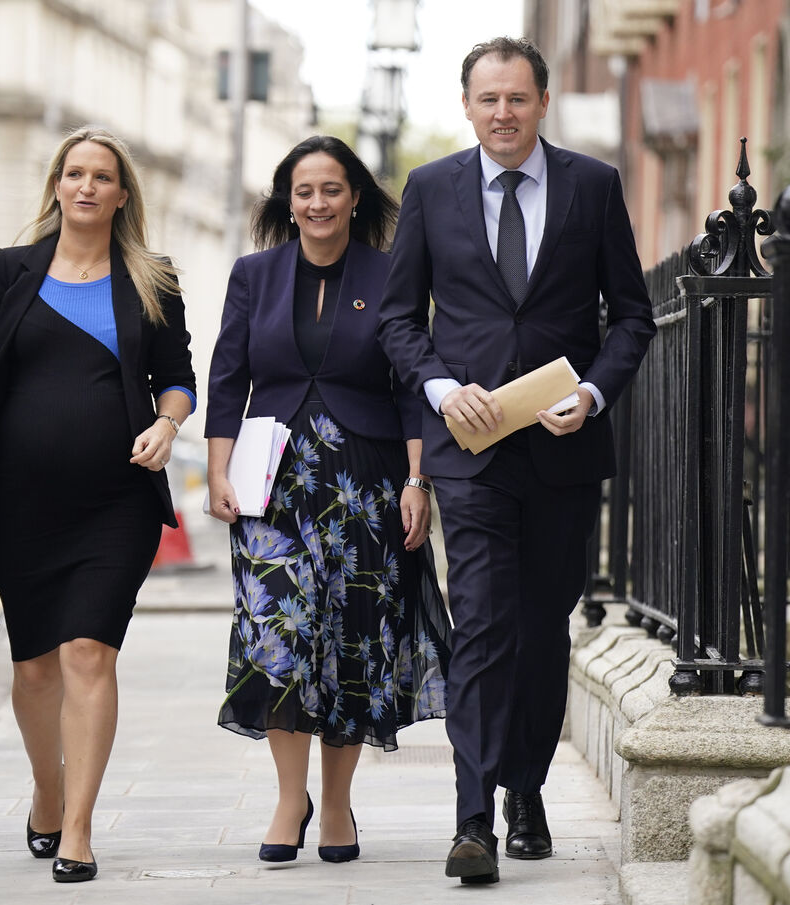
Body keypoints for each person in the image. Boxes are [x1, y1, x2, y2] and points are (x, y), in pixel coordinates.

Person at [377, 37, 656, 884]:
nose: (503, 113)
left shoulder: (593, 186)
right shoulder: (429, 189)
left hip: (563, 452)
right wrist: (437, 387)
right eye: (488, 99)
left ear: (542, 103)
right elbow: (398, 320)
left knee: (541, 629)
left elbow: (633, 317)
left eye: (518, 98)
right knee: (487, 625)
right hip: (470, 452)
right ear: (467, 106)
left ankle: (524, 787)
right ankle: (472, 818)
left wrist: (597, 394)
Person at [205, 135, 451, 865]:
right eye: (304, 190)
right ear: (287, 199)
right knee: (278, 641)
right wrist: (218, 471)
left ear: (355, 198)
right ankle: (290, 797)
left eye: (332, 190)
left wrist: (418, 481)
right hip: (270, 486)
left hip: (365, 483)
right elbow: (226, 376)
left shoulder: (390, 272)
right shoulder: (254, 274)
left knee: (351, 642)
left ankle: (337, 801)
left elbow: (413, 384)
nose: (317, 203)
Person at [0, 126, 195, 884]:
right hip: (21, 502)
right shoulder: (12, 270)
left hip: (114, 504)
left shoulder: (152, 277)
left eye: (102, 176)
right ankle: (48, 791)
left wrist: (166, 422)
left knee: (88, 652)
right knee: (33, 671)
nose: (87, 185)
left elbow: (179, 375)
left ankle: (80, 829)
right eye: (74, 173)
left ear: (123, 193)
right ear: (56, 185)